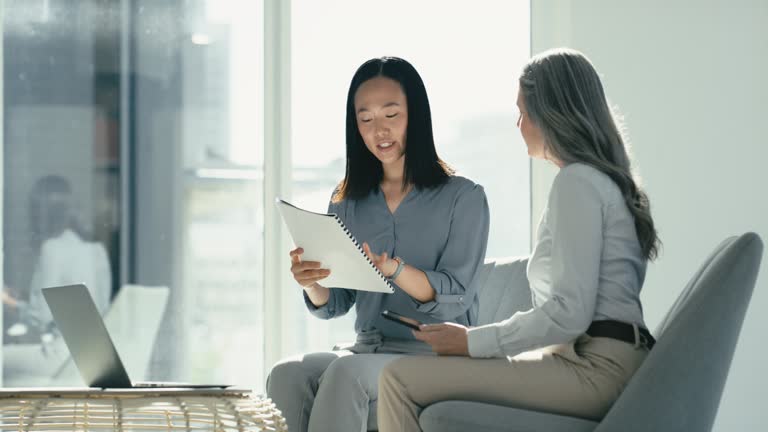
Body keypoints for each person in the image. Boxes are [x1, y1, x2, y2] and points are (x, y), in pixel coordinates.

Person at [377, 48, 662, 431]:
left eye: (523, 111)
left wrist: (472, 344)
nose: (518, 124)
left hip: (595, 369)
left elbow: (568, 313)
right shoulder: (602, 182)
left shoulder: (577, 182)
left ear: (552, 114)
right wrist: (473, 342)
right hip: (607, 361)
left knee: (398, 379)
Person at [266, 57, 490, 432]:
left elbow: (457, 294)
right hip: (368, 348)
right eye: (365, 119)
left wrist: (396, 271)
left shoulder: (463, 197)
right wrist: (312, 283)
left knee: (346, 374)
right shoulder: (347, 201)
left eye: (391, 115)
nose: (379, 130)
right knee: (287, 373)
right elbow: (337, 302)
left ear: (415, 116)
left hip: (436, 356)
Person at [3, 175, 112, 337]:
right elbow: (98, 306)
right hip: (93, 352)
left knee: (3, 357)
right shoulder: (96, 250)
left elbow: (40, 318)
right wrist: (24, 296)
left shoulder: (51, 249)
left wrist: (7, 302)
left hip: (62, 351)